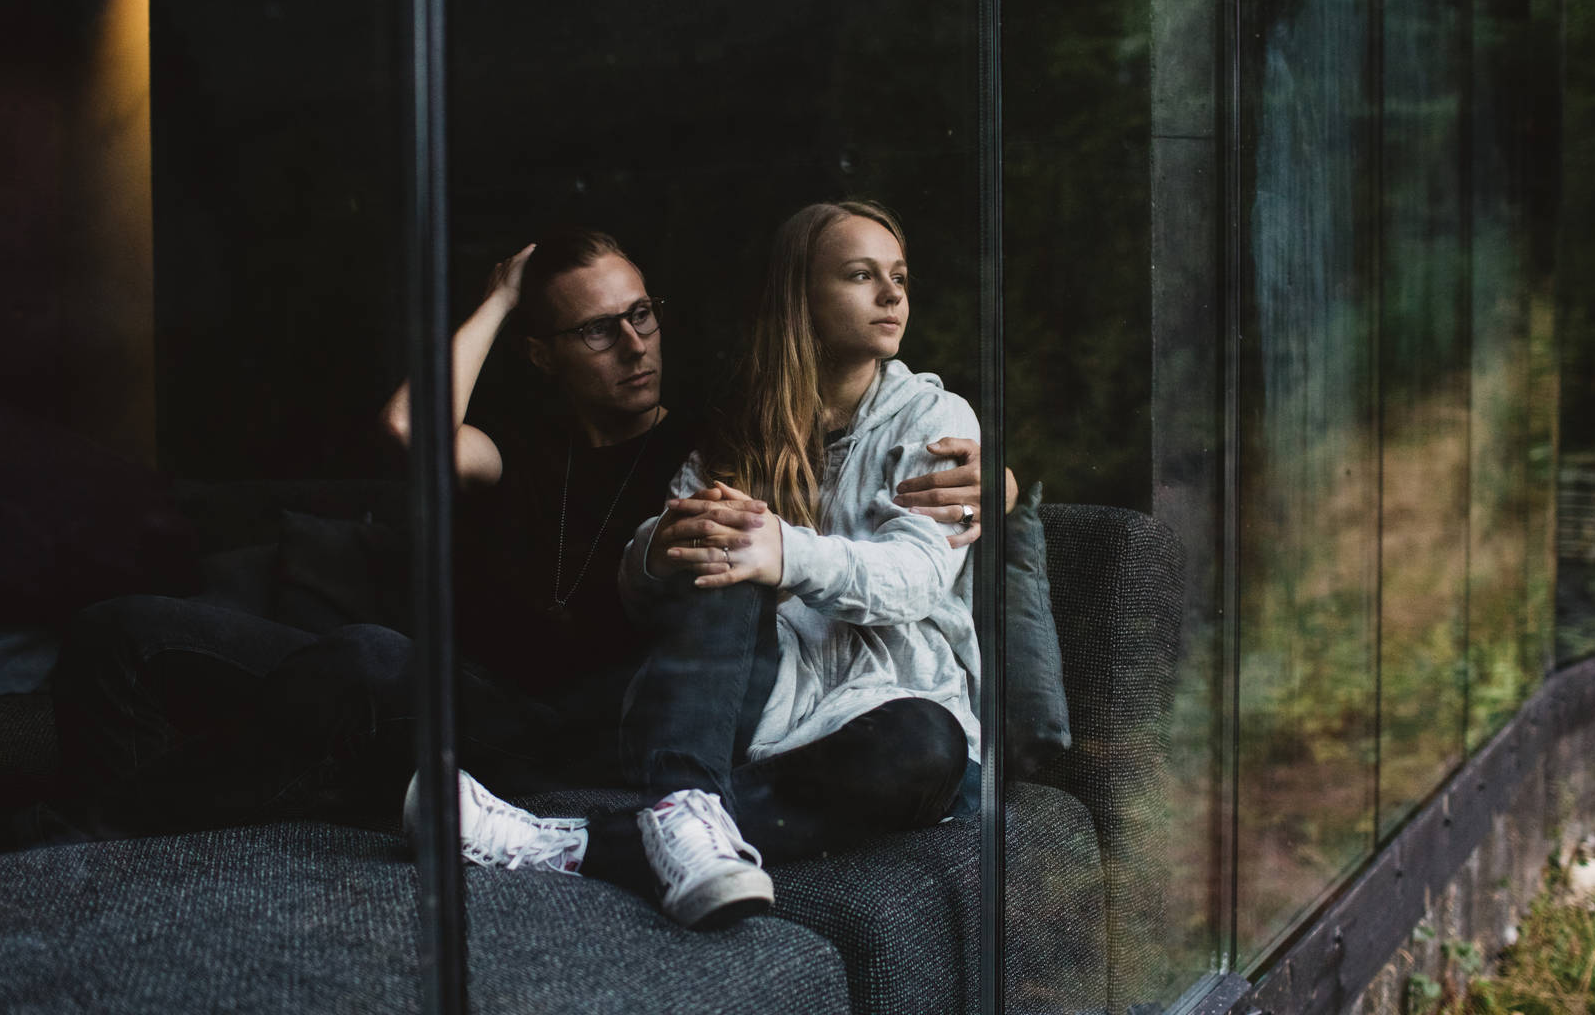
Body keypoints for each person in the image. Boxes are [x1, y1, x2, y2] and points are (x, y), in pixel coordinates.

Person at [51, 224, 1001, 839]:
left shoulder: (705, 431)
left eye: (643, 317)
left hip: (587, 718)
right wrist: (501, 298)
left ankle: (114, 830)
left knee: (362, 658)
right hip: (476, 695)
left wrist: (993, 488)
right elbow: (406, 431)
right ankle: (111, 853)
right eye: (597, 331)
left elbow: (832, 449)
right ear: (542, 354)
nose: (635, 346)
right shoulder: (515, 451)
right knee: (122, 630)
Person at [448, 201, 990, 929]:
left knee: (929, 745)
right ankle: (686, 807)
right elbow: (652, 579)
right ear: (800, 297)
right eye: (862, 276)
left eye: (899, 277)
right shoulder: (740, 427)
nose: (893, 295)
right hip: (761, 722)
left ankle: (572, 843)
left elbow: (918, 576)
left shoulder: (936, 418)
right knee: (719, 550)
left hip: (885, 720)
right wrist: (654, 552)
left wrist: (783, 550)